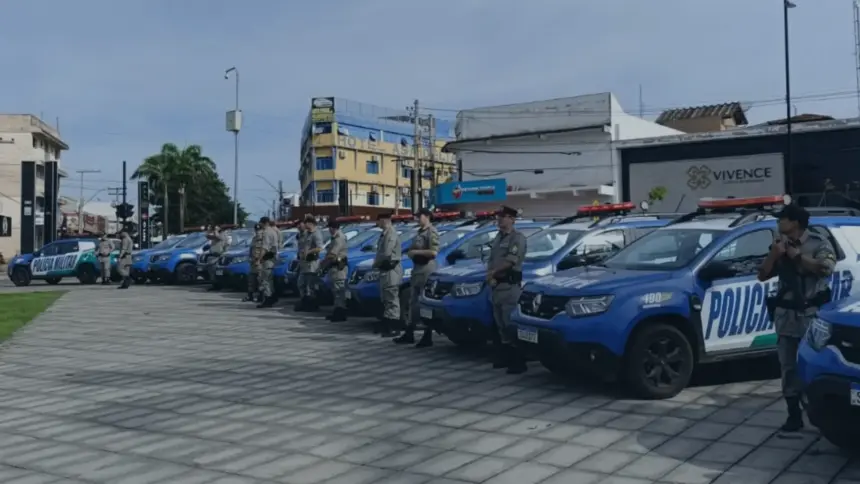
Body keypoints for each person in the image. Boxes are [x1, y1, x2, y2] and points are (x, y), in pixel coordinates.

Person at [757, 204, 835, 432]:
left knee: (815, 366)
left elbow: (827, 268)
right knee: (788, 368)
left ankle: (823, 414)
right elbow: (762, 275)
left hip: (811, 316)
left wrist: (799, 258)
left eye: (783, 219)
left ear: (795, 223)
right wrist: (774, 255)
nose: (779, 223)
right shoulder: (779, 245)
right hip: (786, 317)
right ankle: (794, 415)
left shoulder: (818, 242)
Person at [487, 206, 528, 374]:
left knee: (510, 324)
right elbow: (492, 259)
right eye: (499, 216)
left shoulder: (517, 238)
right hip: (497, 286)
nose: (499, 219)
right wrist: (490, 275)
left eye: (503, 217)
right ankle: (506, 357)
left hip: (509, 286)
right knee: (500, 324)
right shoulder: (498, 237)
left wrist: (493, 272)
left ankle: (519, 361)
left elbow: (511, 260)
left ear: (512, 219)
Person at [395, 208, 440, 347]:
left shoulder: (431, 232)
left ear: (427, 216)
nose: (417, 219)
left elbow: (434, 252)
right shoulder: (419, 232)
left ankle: (427, 335)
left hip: (426, 269)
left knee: (424, 303)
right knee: (413, 303)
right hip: (417, 269)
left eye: (419, 216)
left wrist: (415, 252)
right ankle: (410, 332)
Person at [373, 212, 402, 337]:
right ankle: (386, 324)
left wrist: (375, 263)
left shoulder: (391, 234)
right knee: (386, 298)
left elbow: (386, 253)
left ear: (384, 220)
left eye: (378, 220)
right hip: (385, 270)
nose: (377, 223)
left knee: (391, 298)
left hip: (391, 270)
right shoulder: (384, 234)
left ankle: (394, 326)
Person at [323, 221, 349, 322]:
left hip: (339, 267)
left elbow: (332, 254)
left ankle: (340, 313)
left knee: (339, 291)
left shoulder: (339, 238)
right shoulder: (334, 238)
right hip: (335, 267)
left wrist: (323, 263)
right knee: (336, 290)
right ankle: (337, 311)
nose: (329, 230)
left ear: (333, 228)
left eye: (330, 227)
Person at [297, 216, 324, 311]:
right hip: (304, 263)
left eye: (306, 223)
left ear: (310, 223)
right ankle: (305, 302)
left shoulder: (316, 234)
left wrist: (309, 251)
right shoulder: (307, 234)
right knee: (301, 284)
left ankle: (312, 304)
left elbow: (320, 247)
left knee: (310, 286)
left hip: (311, 263)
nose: (305, 225)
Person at [257, 217, 280, 308]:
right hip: (272, 258)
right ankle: (272, 297)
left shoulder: (267, 232)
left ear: (264, 223)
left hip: (268, 258)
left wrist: (259, 259)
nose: (260, 225)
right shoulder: (274, 231)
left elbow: (265, 248)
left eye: (261, 223)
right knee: (269, 279)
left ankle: (268, 298)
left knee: (265, 280)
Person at [244, 223, 265, 303]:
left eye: (259, 230)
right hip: (253, 262)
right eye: (256, 230)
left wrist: (259, 260)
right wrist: (250, 257)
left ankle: (261, 296)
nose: (257, 232)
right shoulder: (254, 239)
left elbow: (264, 251)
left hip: (260, 262)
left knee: (260, 280)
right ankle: (250, 295)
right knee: (251, 280)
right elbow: (251, 249)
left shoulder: (264, 240)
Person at [206, 225, 227, 292]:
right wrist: (209, 230)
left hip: (218, 255)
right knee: (211, 272)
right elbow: (208, 236)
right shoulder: (215, 235)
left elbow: (218, 237)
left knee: (216, 271)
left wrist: (215, 230)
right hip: (212, 255)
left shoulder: (223, 235)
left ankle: (218, 285)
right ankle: (214, 285)